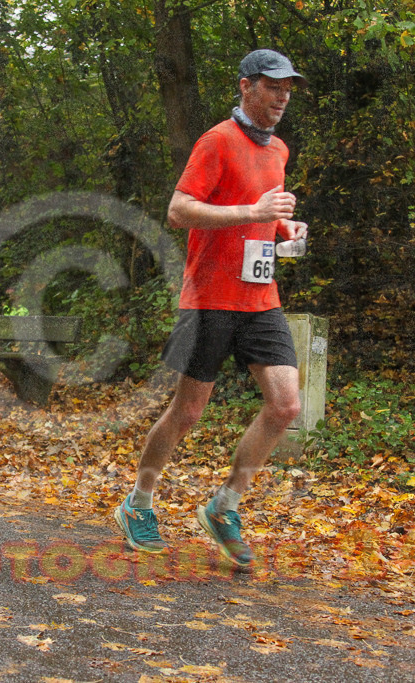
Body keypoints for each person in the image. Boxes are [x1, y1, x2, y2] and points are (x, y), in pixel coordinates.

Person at [114, 49, 309, 568]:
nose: (282, 97)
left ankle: (224, 506)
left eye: (288, 89)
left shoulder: (279, 151)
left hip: (259, 299)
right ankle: (138, 504)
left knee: (286, 406)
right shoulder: (217, 140)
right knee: (189, 412)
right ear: (246, 87)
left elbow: (264, 213)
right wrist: (254, 211)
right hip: (210, 299)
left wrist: (283, 227)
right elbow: (179, 210)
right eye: (273, 87)